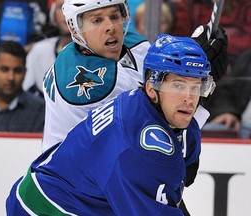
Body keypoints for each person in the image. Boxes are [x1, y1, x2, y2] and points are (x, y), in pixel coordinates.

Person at [6, 34, 216, 215]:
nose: (189, 99)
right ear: (152, 88)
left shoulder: (150, 108)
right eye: (178, 85)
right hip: (46, 208)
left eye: (196, 87)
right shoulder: (135, 148)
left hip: (80, 199)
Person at [41, 0, 227, 153]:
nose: (110, 27)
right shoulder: (94, 85)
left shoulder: (130, 43)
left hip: (103, 175)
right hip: (71, 187)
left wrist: (191, 55)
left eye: (114, 16)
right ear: (75, 30)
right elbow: (160, 129)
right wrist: (196, 79)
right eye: (97, 20)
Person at [22, 0, 72, 96]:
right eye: (62, 7)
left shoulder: (97, 52)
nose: (68, 13)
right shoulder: (40, 49)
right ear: (52, 14)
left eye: (74, 6)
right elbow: (24, 90)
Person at [203, 50, 251, 139]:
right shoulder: (247, 59)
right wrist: (227, 111)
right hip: (241, 126)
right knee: (210, 130)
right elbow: (226, 90)